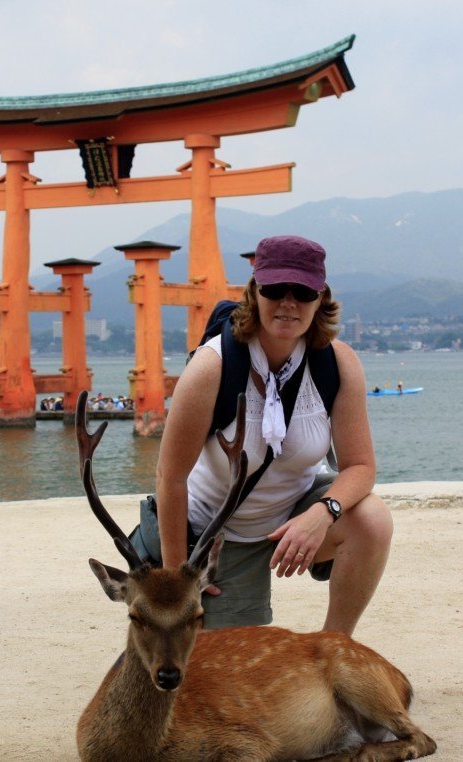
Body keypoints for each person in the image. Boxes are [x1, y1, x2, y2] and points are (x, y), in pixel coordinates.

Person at [136, 235, 392, 636]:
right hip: (216, 531)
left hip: (295, 515)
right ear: (255, 291)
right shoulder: (211, 368)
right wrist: (179, 579)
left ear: (320, 297)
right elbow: (170, 477)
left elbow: (360, 467)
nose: (288, 302)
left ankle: (336, 646)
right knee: (223, 679)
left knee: (373, 519)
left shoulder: (338, 364)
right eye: (275, 289)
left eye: (303, 291)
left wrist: (322, 514)